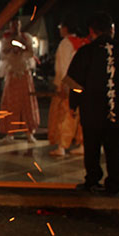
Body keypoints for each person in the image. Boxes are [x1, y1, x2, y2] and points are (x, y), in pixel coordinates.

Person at [65, 12, 119, 194]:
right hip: (115, 107)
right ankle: (114, 183)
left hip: (91, 109)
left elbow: (75, 84)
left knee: (92, 147)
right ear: (111, 29)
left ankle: (93, 180)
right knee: (113, 148)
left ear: (91, 30)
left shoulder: (86, 51)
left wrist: (73, 104)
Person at [47, 15, 87, 157]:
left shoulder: (66, 43)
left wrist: (64, 86)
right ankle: (82, 143)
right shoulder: (83, 42)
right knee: (81, 115)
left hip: (69, 84)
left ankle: (62, 146)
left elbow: (64, 68)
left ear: (65, 28)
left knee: (65, 115)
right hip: (82, 84)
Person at [0, 17, 39, 143]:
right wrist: (11, 49)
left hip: (24, 74)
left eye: (17, 25)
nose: (15, 28)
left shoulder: (27, 38)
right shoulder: (5, 39)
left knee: (27, 104)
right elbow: (3, 55)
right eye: (13, 25)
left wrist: (22, 48)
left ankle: (29, 133)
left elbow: (31, 53)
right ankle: (10, 133)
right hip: (12, 74)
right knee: (10, 104)